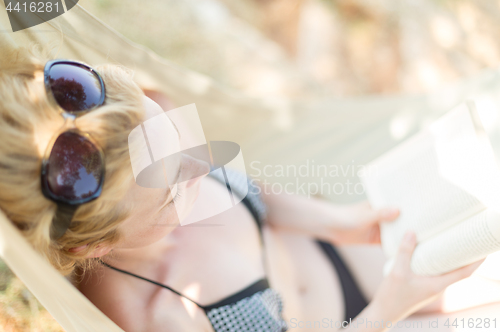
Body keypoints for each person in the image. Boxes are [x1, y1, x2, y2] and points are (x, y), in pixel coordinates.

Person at [0, 46, 496, 332]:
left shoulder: (138, 144)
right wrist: (392, 306)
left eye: (179, 138)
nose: (198, 165)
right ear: (98, 244)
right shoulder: (158, 317)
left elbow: (245, 191)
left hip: (343, 258)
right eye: (173, 187)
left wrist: (338, 224)